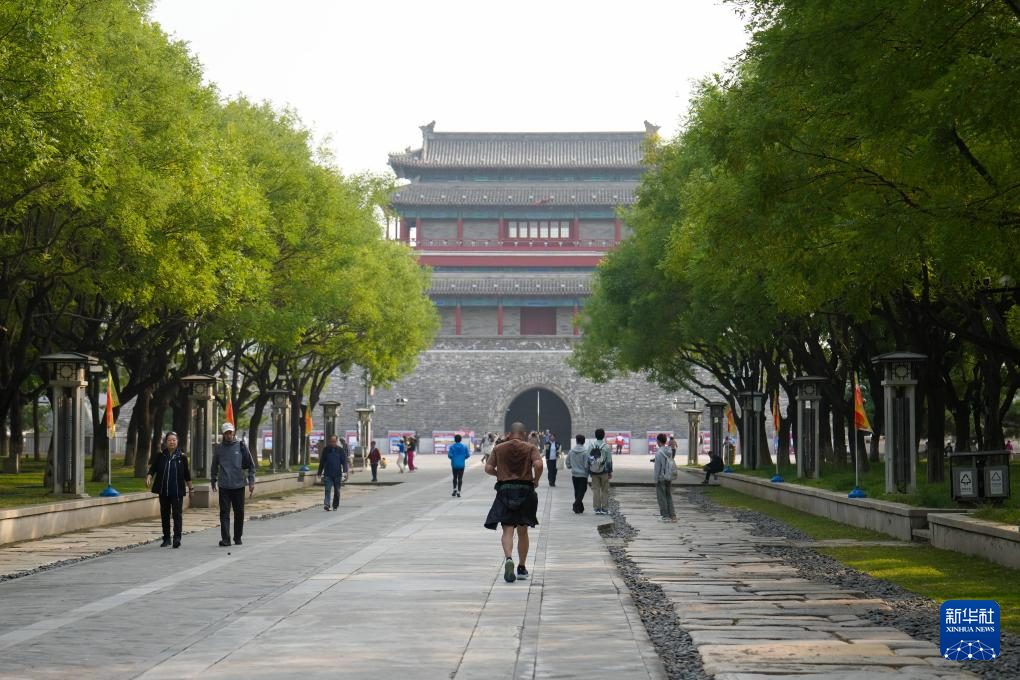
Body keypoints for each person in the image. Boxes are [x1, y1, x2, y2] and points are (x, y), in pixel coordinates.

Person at [484, 421, 543, 583]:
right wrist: (536, 480)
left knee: (507, 530)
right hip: (525, 489)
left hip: (505, 490)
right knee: (523, 531)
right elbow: (538, 464)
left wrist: (499, 474)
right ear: (523, 434)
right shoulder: (530, 447)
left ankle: (509, 558)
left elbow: (488, 468)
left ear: (509, 434)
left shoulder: (499, 448)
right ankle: (522, 568)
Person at [210, 422, 257, 546]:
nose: (229, 435)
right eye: (226, 433)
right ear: (223, 434)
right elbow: (214, 465)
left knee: (239, 513)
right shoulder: (219, 448)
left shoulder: (241, 446)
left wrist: (251, 481)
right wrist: (213, 480)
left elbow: (251, 465)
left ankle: (237, 537)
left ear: (234, 432)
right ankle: (226, 539)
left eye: (230, 432)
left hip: (239, 485)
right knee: (224, 513)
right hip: (224, 485)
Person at [146, 432, 193, 548]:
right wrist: (149, 476)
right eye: (169, 440)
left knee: (177, 515)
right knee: (165, 514)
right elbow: (153, 468)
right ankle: (166, 538)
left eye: (174, 440)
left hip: (177, 491)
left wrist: (191, 488)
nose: (172, 442)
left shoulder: (182, 456)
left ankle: (177, 538)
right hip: (163, 491)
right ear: (166, 442)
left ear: (177, 442)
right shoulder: (160, 455)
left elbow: (186, 474)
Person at [317, 435, 350, 511]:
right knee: (327, 489)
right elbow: (322, 461)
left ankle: (335, 505)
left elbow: (344, 462)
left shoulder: (340, 450)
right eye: (331, 441)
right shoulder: (326, 450)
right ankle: (327, 504)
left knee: (337, 491)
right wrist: (319, 472)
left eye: (334, 441)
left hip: (337, 474)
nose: (332, 443)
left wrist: (345, 472)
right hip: (328, 473)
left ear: (337, 441)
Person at [653, 433, 678, 522]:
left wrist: (655, 479)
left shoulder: (659, 453)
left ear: (658, 441)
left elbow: (657, 468)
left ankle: (665, 516)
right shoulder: (669, 451)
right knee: (668, 495)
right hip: (669, 476)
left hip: (661, 477)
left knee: (662, 497)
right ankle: (673, 515)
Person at [588, 428, 613, 515]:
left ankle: (597, 508)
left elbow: (588, 459)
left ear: (595, 435)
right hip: (604, 471)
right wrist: (610, 472)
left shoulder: (591, 446)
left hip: (594, 471)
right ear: (603, 435)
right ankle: (604, 509)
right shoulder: (606, 446)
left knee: (595, 490)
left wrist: (589, 471)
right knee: (605, 490)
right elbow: (609, 461)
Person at [566, 434, 590, 514]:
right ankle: (576, 505)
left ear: (576, 441)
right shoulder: (586, 452)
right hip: (583, 475)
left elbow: (567, 462)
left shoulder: (571, 451)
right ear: (584, 441)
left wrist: (571, 466)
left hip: (574, 474)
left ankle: (580, 508)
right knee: (582, 490)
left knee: (577, 491)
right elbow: (586, 465)